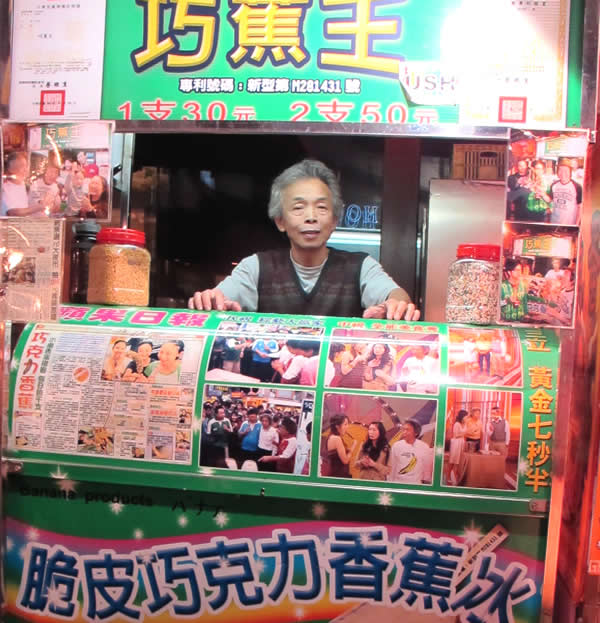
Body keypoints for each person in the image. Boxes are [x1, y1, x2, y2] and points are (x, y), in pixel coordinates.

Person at [188, 159, 419, 320]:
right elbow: (220, 298)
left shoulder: (361, 266)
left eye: (321, 207)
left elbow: (397, 296)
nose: (311, 217)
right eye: (299, 208)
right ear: (280, 221)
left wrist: (395, 305)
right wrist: (211, 300)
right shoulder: (256, 267)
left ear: (334, 220)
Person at [388, 419, 432, 484]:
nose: (404, 432)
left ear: (416, 433)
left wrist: (425, 482)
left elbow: (427, 469)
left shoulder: (424, 447)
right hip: (398, 482)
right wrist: (390, 482)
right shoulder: (396, 445)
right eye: (403, 429)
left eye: (407, 430)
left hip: (415, 484)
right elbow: (392, 466)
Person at [548, 158, 582, 225]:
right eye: (560, 170)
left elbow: (580, 207)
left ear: (570, 172)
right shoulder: (553, 185)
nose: (563, 173)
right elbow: (550, 200)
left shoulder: (577, 187)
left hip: (569, 224)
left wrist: (577, 224)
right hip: (554, 223)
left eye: (566, 170)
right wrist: (541, 194)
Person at [323, 413, 356, 478]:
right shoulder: (337, 439)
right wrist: (353, 447)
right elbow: (345, 461)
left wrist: (347, 450)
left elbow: (335, 455)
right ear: (337, 426)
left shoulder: (331, 437)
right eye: (345, 424)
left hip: (335, 473)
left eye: (347, 424)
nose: (347, 427)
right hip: (339, 474)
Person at [1, 152, 34, 216]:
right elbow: (12, 212)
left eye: (26, 166)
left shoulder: (25, 185)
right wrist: (40, 207)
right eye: (21, 166)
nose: (25, 170)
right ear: (11, 169)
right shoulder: (5, 187)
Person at [448, 409, 468, 485]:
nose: (467, 418)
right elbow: (456, 435)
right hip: (456, 443)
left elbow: (465, 432)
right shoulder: (457, 424)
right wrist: (465, 434)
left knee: (458, 461)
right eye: (466, 416)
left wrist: (465, 434)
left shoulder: (465, 424)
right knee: (452, 461)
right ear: (462, 416)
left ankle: (455, 476)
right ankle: (448, 477)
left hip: (461, 442)